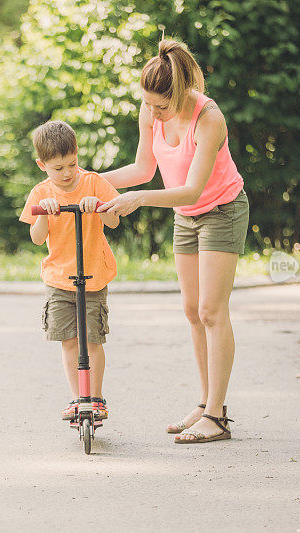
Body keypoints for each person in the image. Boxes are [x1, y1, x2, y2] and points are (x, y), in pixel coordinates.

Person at [99, 39, 249, 444]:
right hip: (186, 218)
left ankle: (217, 417)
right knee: (191, 311)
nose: (152, 112)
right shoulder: (152, 111)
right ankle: (204, 405)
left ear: (181, 93)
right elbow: (144, 169)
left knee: (212, 311)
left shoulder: (209, 119)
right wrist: (90, 181)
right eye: (147, 104)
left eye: (160, 106)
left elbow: (192, 189)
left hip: (221, 210)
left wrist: (139, 200)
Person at [20, 120, 121, 421]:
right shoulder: (40, 193)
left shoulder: (93, 183)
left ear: (77, 155)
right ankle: (79, 398)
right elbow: (37, 239)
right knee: (68, 340)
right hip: (59, 278)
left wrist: (101, 207)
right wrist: (44, 214)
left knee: (92, 339)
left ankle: (96, 398)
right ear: (42, 165)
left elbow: (115, 221)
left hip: (93, 274)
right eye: (57, 168)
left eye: (71, 164)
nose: (66, 173)